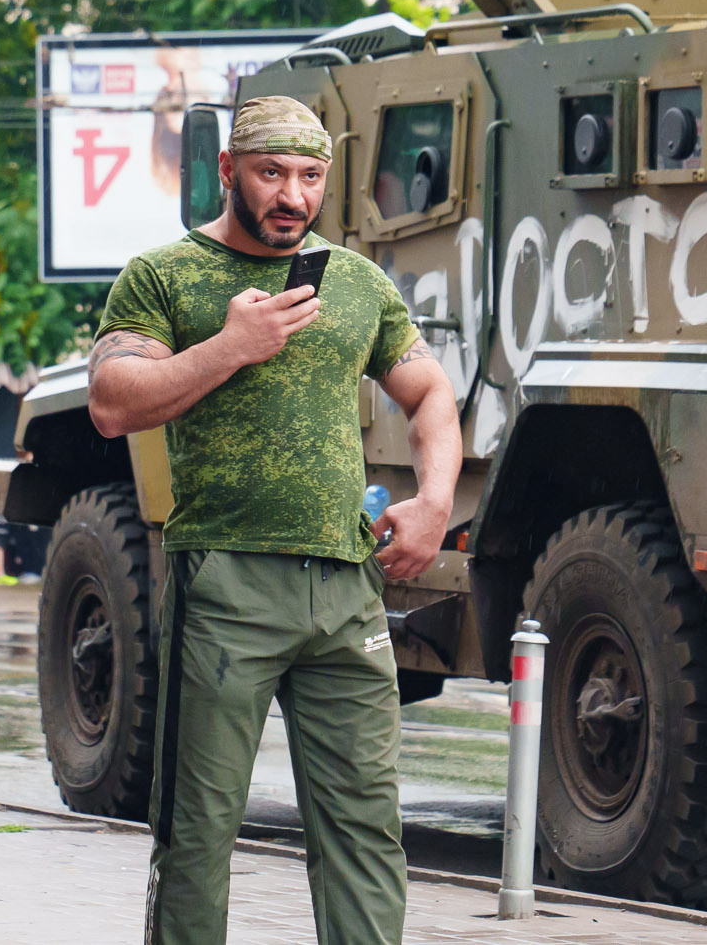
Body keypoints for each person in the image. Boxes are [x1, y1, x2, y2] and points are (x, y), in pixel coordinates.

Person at [89, 96, 460, 945]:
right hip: (224, 583)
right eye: (270, 173)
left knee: (366, 832)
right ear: (227, 171)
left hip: (344, 588)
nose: (292, 195)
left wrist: (435, 500)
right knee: (197, 831)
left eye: (310, 176)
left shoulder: (359, 283)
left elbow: (429, 390)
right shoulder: (164, 275)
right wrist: (231, 344)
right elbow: (112, 402)